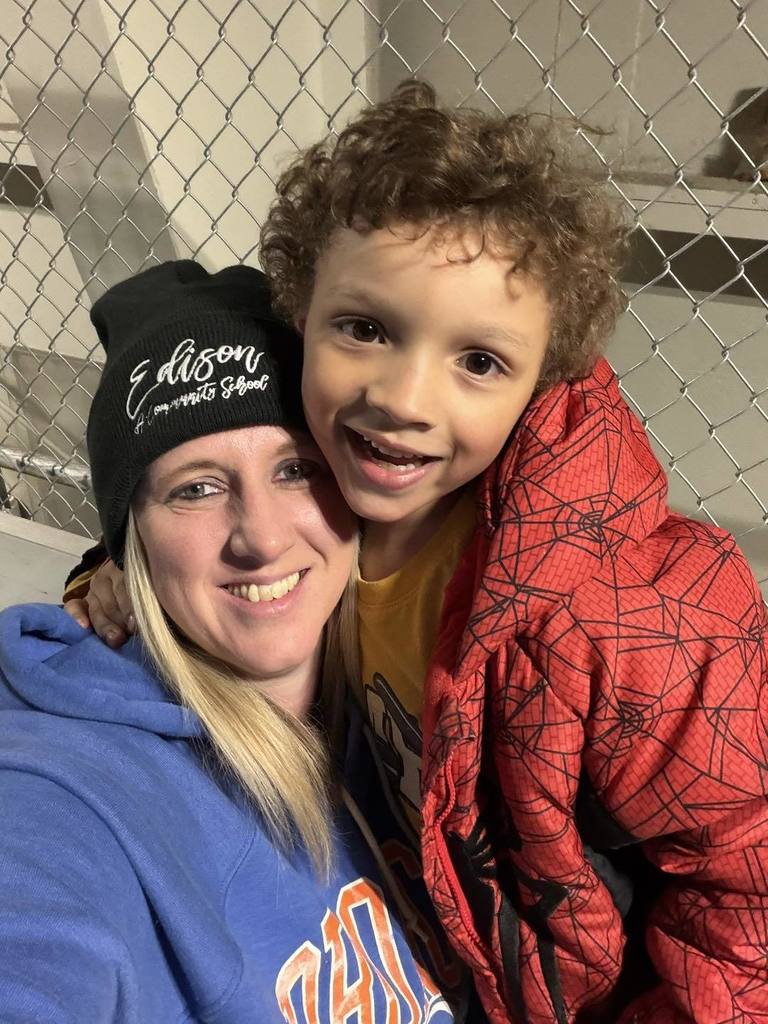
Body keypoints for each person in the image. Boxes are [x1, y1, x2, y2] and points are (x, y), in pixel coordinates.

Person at [66, 83, 768, 1024]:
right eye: (365, 330)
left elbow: (746, 876)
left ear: (542, 377)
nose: (403, 396)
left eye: (479, 361)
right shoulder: (335, 498)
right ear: (300, 318)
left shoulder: (623, 618)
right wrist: (116, 567)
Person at [0, 260, 460, 1023]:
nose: (263, 538)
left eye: (295, 468)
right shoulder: (70, 789)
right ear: (132, 538)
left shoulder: (415, 684)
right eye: (196, 488)